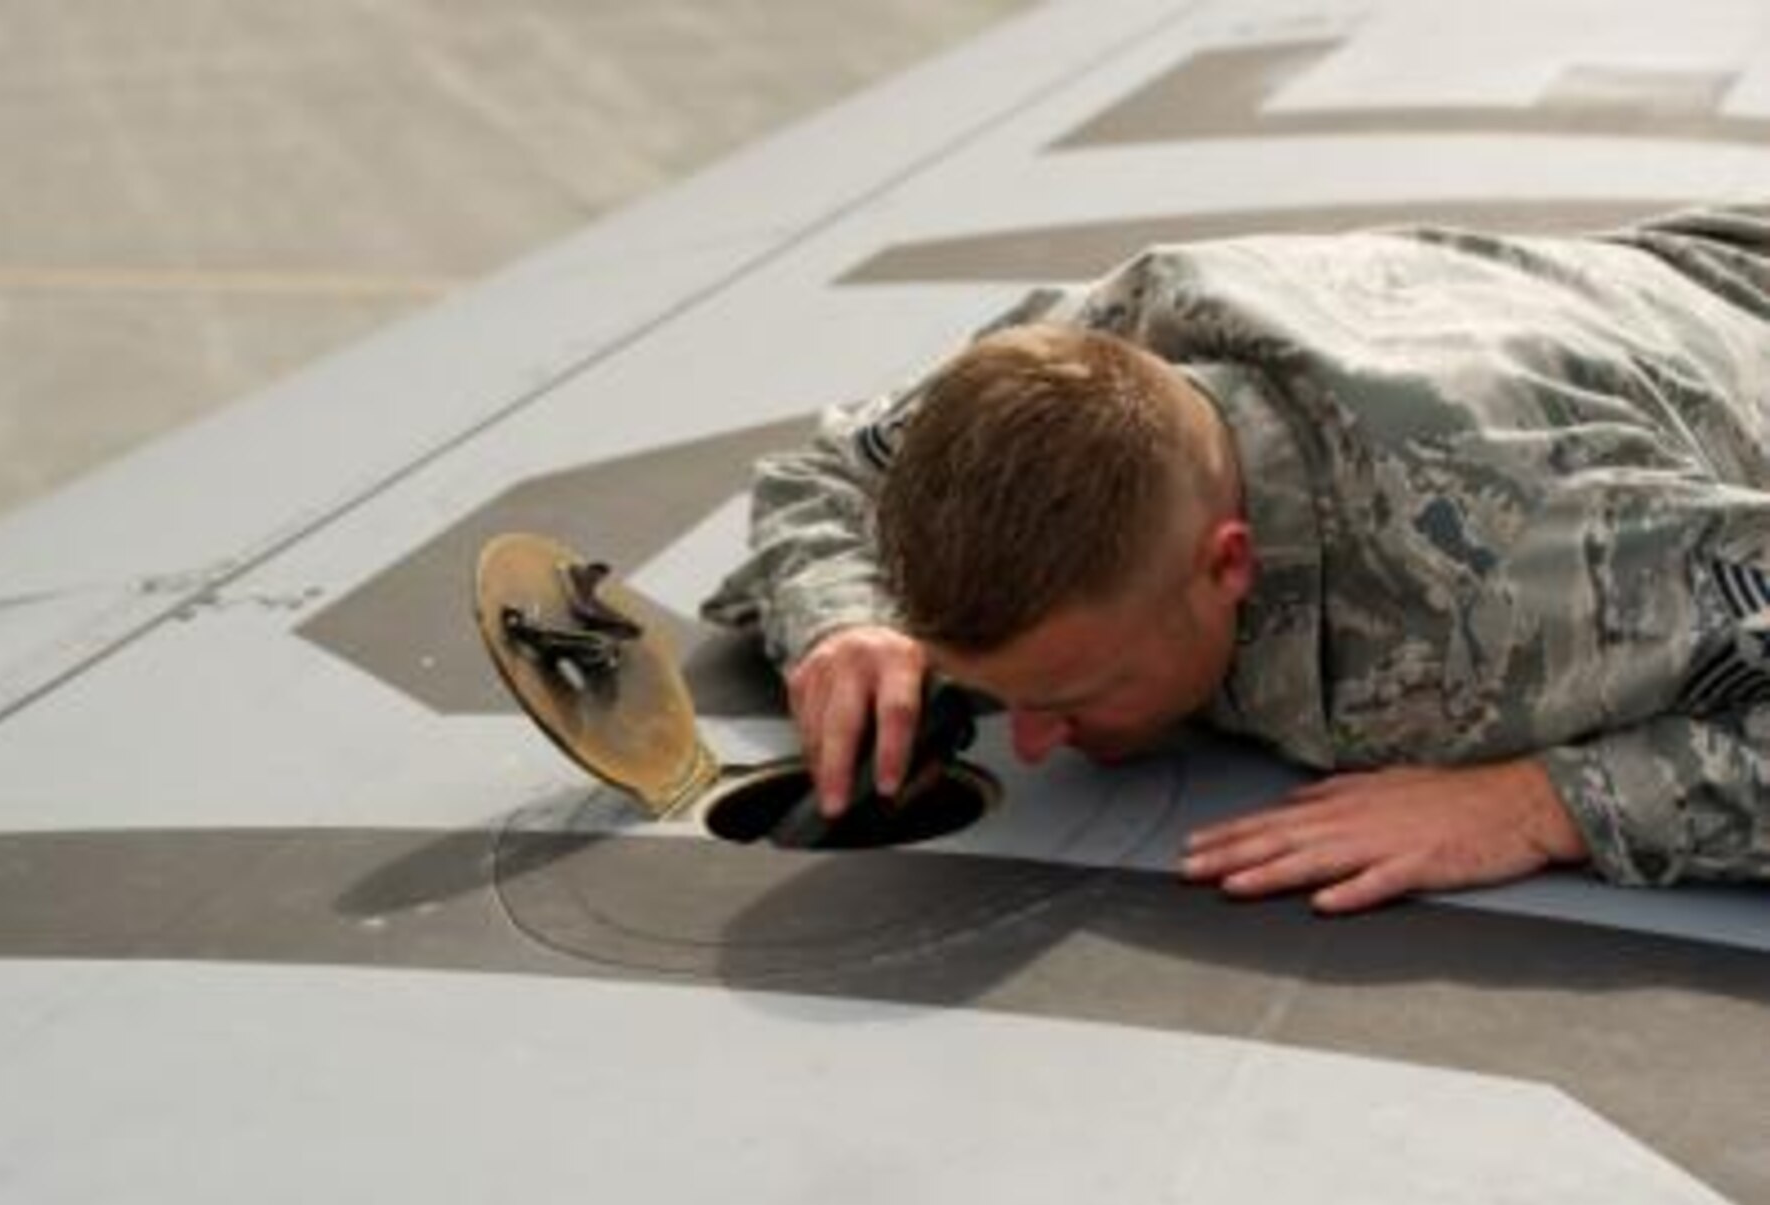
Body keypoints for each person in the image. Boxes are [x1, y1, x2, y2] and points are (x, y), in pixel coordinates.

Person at [701, 203, 1770, 912]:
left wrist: (1541, 802)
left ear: (1227, 565)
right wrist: (846, 619)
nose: (1029, 745)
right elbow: (829, 472)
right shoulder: (1088, 370)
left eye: (1076, 690)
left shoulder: (1536, 553)